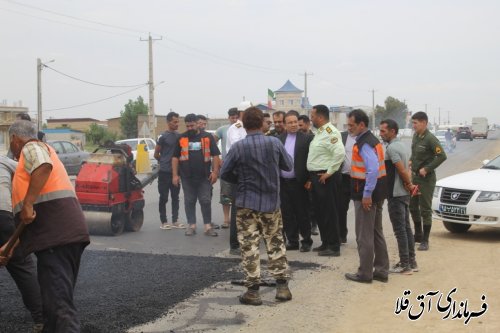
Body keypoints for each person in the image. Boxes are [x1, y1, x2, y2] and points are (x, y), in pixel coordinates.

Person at [4, 120, 90, 332]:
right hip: (61, 236)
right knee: (52, 307)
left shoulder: (31, 147)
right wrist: (11, 247)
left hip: (56, 237)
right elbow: (28, 219)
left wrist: (28, 202)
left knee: (59, 307)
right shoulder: (36, 155)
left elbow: (43, 165)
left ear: (14, 139)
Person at [220, 106, 293, 306]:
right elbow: (289, 165)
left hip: (245, 204)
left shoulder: (238, 148)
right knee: (275, 243)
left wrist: (240, 178)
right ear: (262, 123)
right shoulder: (274, 143)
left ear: (243, 124)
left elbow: (225, 173)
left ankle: (253, 292)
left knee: (249, 246)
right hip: (271, 203)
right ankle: (282, 288)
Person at [0, 154, 44, 333]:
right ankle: (42, 318)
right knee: (22, 267)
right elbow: (29, 172)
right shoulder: (4, 161)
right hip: (2, 215)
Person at [344, 109, 389, 284]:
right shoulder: (372, 140)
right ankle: (381, 270)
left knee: (364, 235)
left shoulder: (364, 144)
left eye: (351, 125)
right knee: (376, 232)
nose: (349, 128)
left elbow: (372, 169)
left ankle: (365, 273)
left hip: (366, 193)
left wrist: (366, 195)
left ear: (361, 125)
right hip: (377, 192)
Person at [379, 119, 418, 274]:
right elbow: (408, 168)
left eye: (383, 131)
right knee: (406, 228)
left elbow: (402, 170)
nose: (381, 134)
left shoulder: (392, 149)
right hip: (404, 193)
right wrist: (409, 186)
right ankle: (412, 262)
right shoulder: (402, 145)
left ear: (393, 131)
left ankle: (405, 265)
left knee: (400, 230)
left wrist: (409, 184)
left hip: (396, 193)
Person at [172, 114, 221, 236]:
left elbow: (215, 155)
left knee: (205, 200)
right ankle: (191, 226)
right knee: (189, 201)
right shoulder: (181, 138)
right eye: (187, 126)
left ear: (197, 124)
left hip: (204, 176)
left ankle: (208, 227)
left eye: (192, 125)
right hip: (186, 177)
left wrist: (215, 172)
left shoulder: (207, 137)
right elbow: (175, 158)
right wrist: (175, 175)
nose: (189, 128)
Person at [306, 105, 345, 256]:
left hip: (326, 178)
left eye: (313, 115)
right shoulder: (320, 132)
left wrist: (329, 173)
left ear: (320, 117)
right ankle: (326, 242)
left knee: (330, 212)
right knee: (321, 212)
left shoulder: (330, 132)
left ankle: (334, 246)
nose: (311, 118)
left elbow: (339, 153)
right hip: (317, 177)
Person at [409, 112, 447, 251]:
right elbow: (414, 153)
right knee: (412, 206)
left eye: (416, 123)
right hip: (415, 178)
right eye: (413, 123)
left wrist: (427, 168)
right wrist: (411, 161)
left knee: (425, 209)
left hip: (426, 179)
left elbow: (442, 156)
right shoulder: (416, 136)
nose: (413, 125)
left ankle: (425, 240)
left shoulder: (430, 139)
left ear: (424, 123)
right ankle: (418, 234)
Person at [279, 112, 314, 252]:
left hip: (300, 182)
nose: (293, 125)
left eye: (295, 122)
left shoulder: (307, 139)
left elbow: (312, 161)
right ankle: (292, 241)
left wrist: (310, 179)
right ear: (285, 124)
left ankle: (306, 240)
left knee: (302, 212)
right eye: (290, 122)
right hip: (283, 182)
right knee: (287, 213)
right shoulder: (279, 139)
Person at [225, 101, 252, 255]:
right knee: (238, 209)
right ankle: (234, 244)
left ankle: (248, 240)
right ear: (242, 113)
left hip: (250, 172)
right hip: (239, 172)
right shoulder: (235, 129)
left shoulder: (249, 128)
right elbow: (239, 148)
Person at [154, 112, 184, 230]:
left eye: (178, 121)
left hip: (176, 172)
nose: (177, 124)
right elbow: (157, 154)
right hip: (164, 172)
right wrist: (164, 162)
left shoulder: (180, 136)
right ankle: (164, 221)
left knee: (175, 197)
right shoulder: (162, 137)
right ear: (168, 122)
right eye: (174, 122)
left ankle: (175, 220)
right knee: (164, 197)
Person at [214, 108, 239, 229]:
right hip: (226, 166)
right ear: (228, 117)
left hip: (239, 166)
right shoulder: (222, 129)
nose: (234, 120)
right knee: (225, 193)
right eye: (232, 117)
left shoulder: (242, 128)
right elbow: (212, 143)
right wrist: (218, 159)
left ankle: (239, 220)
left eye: (236, 117)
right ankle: (226, 219)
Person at [338, 130, 356, 244]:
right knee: (341, 208)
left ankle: (361, 237)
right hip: (343, 178)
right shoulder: (341, 136)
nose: (350, 127)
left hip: (358, 179)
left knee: (360, 209)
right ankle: (341, 235)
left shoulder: (363, 138)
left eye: (352, 124)